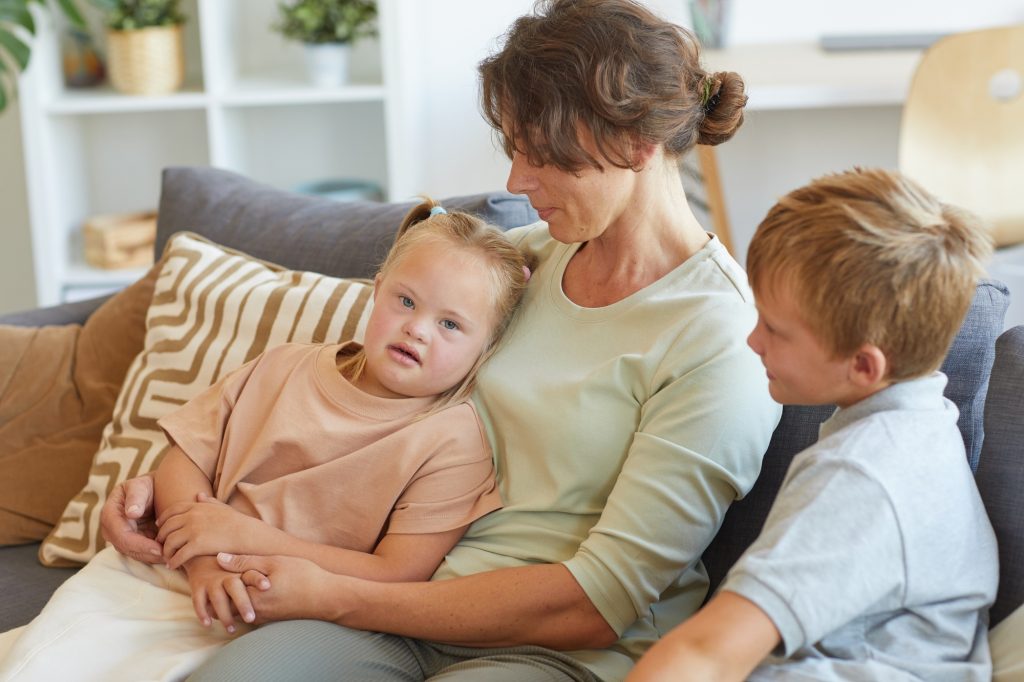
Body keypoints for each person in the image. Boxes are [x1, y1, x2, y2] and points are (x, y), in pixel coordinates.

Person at [101, 1, 780, 680]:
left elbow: (598, 603)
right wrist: (175, 492)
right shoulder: (519, 264)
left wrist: (339, 596)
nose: (515, 182)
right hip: (388, 610)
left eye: (542, 155)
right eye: (513, 147)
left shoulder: (719, 343)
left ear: (636, 144)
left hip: (554, 650)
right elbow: (351, 404)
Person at [0, 199, 532, 681]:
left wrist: (240, 536)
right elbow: (184, 458)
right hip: (176, 572)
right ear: (376, 290)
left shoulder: (453, 440)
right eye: (407, 301)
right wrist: (203, 560)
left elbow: (398, 573)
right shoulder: (284, 365)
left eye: (451, 325)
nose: (418, 329)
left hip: (294, 611)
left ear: (485, 351)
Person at [627, 168, 998, 682]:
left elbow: (708, 654)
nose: (753, 342)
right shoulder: (922, 424)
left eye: (776, 331)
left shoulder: (860, 474)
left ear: (864, 366)